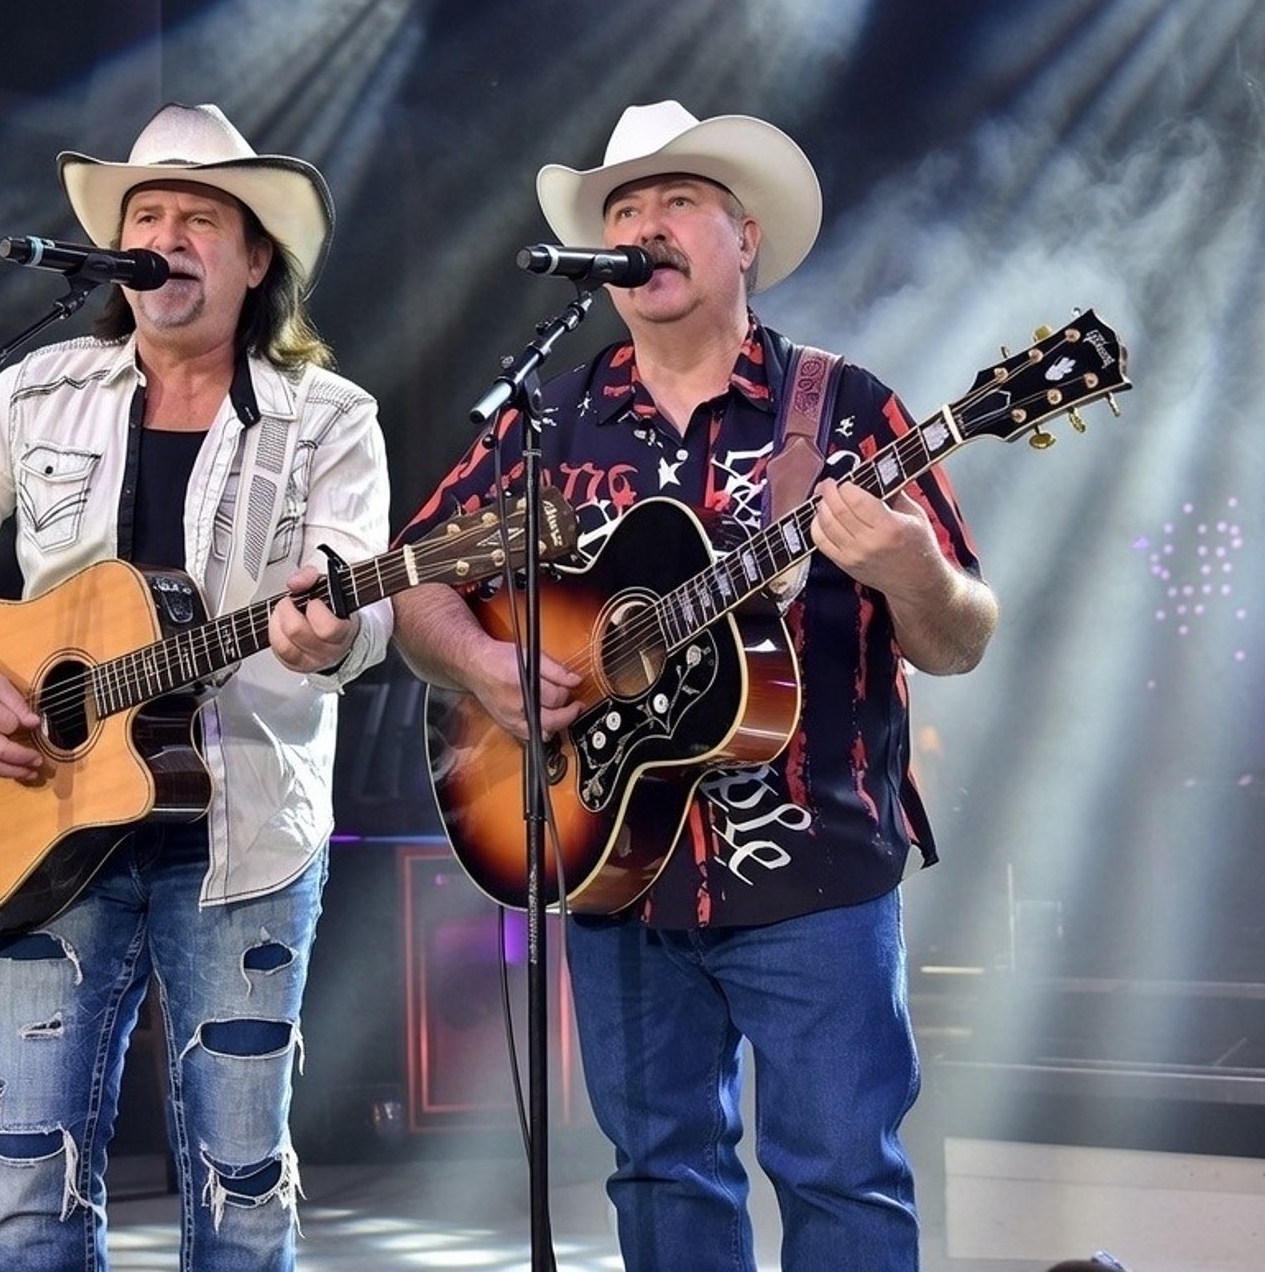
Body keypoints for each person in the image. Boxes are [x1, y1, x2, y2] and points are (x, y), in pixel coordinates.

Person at [391, 100, 998, 1270]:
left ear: (745, 237)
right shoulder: (548, 420)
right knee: (662, 1177)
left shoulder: (844, 409)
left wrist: (912, 567)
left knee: (844, 1182)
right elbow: (417, 577)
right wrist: (481, 663)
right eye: (624, 209)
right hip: (613, 859)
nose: (645, 227)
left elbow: (961, 634)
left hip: (817, 866)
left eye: (676, 200)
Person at [0, 102, 392, 1271]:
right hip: (48, 830)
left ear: (258, 260)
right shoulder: (39, 392)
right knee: (29, 1186)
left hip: (242, 839)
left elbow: (371, 605)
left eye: (202, 217)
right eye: (147, 213)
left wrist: (328, 634)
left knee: (239, 1195)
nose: (167, 234)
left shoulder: (330, 420)